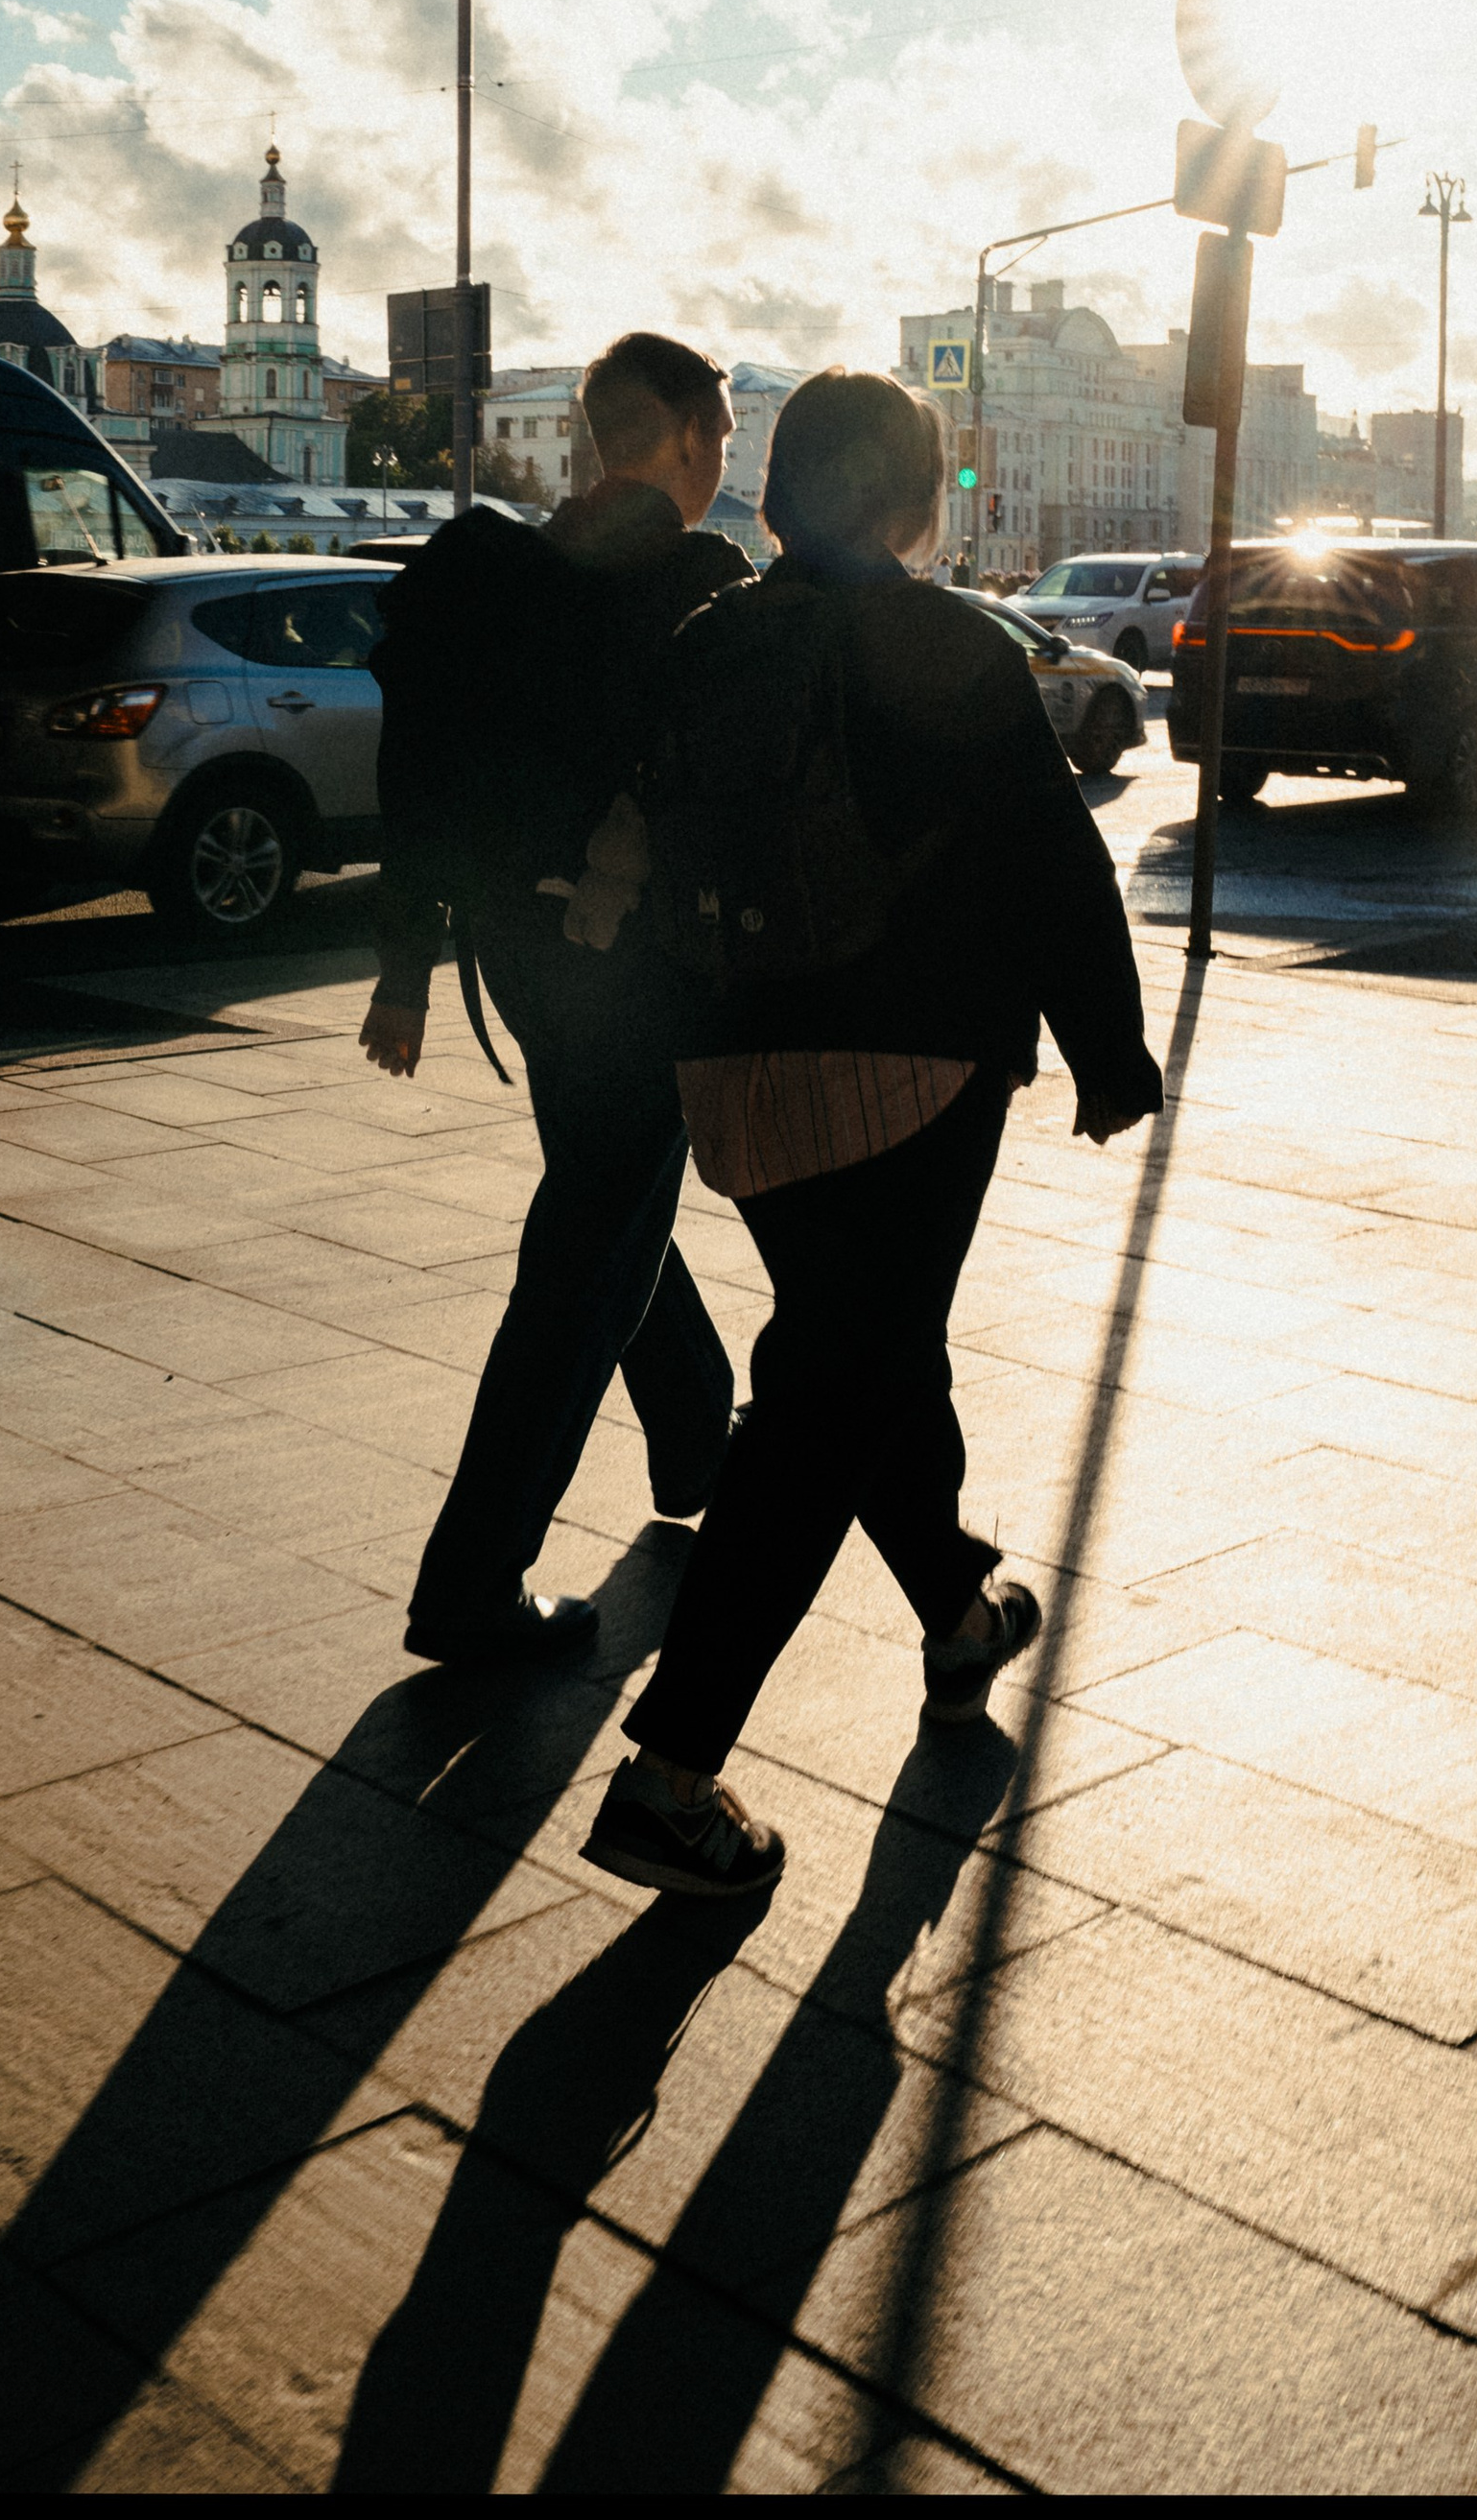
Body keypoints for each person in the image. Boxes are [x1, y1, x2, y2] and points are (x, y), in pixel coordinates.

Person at [581, 368, 1163, 1899]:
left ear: (780, 486)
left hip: (733, 1072)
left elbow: (642, 839)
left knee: (865, 1350)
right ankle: (669, 1771)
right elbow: (1052, 864)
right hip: (914, 1071)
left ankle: (961, 1609)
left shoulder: (713, 637)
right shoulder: (942, 639)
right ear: (909, 493)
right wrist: (1111, 1059)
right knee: (829, 1387)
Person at [361, 333, 755, 1667]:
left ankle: (700, 1430)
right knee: (583, 1259)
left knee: (613, 1190)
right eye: (726, 444)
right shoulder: (698, 582)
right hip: (629, 958)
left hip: (512, 956)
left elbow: (417, 764)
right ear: (697, 438)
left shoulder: (495, 576)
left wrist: (408, 965)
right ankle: (469, 1582)